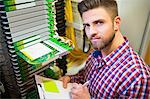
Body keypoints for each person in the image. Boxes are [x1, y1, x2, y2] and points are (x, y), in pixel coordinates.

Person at [59, 0, 150, 98]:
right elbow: (84, 76)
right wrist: (70, 78)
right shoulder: (97, 51)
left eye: (98, 22)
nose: (91, 32)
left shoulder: (137, 78)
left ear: (116, 23)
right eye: (87, 25)